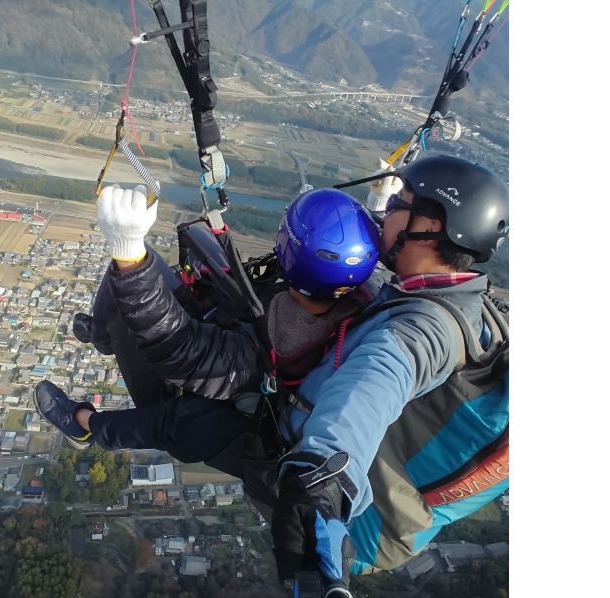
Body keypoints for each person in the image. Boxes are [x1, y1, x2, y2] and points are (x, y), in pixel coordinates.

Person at [267, 154, 509, 590]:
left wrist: (323, 477)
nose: (387, 209)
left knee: (187, 420)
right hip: (373, 497)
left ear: (431, 227)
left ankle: (99, 423)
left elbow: (378, 379)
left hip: (347, 514)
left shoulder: (425, 330)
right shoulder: (448, 296)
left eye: (401, 202)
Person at [33, 184, 384, 470]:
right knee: (143, 273)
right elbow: (348, 254)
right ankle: (104, 333)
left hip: (220, 405)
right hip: (227, 333)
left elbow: (176, 347)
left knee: (174, 421)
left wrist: (128, 253)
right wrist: (377, 204)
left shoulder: (276, 342)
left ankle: (82, 426)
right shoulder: (357, 296)